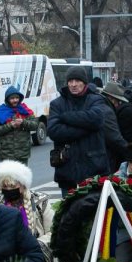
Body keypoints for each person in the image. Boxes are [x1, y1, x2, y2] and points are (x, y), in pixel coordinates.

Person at [48, 67, 110, 195]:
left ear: (84, 82)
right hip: (67, 172)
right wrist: (87, 128)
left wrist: (66, 117)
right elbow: (54, 131)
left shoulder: (96, 99)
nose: (74, 84)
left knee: (95, 213)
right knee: (69, 213)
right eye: (70, 81)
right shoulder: (57, 104)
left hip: (94, 170)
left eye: (77, 80)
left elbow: (97, 119)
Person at [0, 159, 53, 259]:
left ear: (23, 185)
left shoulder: (40, 202)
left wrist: (34, 246)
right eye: (5, 186)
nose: (8, 189)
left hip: (35, 254)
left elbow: (52, 232)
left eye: (12, 186)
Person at [0, 85, 38, 165]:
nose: (15, 100)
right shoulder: (2, 112)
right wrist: (10, 125)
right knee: (8, 177)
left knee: (22, 177)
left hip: (23, 153)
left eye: (17, 98)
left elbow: (35, 125)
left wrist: (23, 122)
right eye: (12, 98)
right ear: (7, 99)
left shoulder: (25, 110)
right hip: (6, 155)